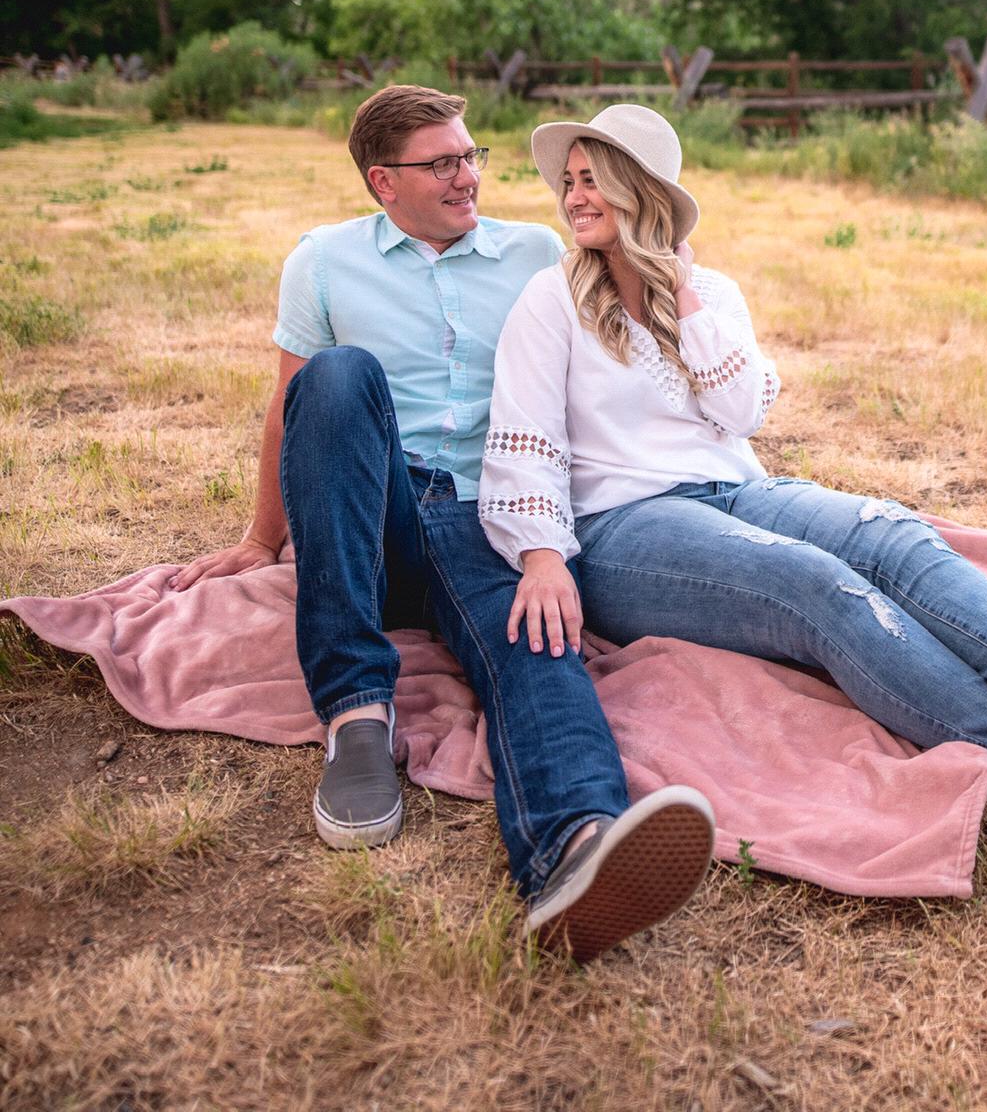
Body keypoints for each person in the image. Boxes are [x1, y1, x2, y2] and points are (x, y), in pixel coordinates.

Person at [478, 104, 987, 807]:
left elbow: (740, 412)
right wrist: (541, 557)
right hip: (624, 530)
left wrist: (683, 298)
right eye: (569, 181)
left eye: (592, 179)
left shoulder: (712, 292)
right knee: (812, 581)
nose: (573, 197)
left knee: (890, 531)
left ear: (640, 190)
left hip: (734, 491)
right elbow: (525, 437)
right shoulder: (553, 299)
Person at [171, 84, 714, 961]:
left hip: (489, 513)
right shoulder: (323, 261)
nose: (468, 177)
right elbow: (291, 411)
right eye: (442, 164)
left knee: (539, 637)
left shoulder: (534, 253)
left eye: (470, 155)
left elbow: (625, 334)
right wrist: (261, 541)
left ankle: (577, 848)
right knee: (339, 374)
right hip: (373, 517)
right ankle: (356, 716)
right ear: (383, 182)